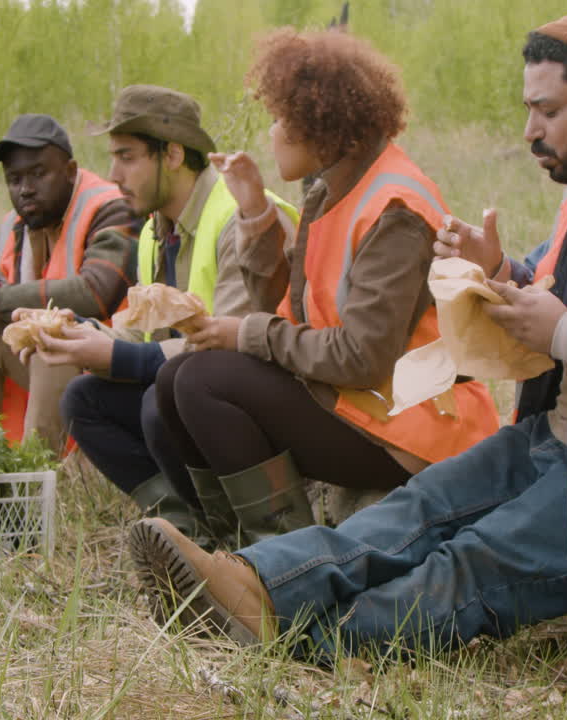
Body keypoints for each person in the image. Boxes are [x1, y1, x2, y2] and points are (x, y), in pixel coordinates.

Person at [128, 0, 567, 662]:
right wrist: (502, 274)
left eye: (548, 110)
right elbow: (559, 301)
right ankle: (252, 582)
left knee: (474, 560)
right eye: (528, 110)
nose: (530, 130)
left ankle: (297, 637)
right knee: (424, 508)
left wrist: (562, 332)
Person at [136, 28, 500, 552]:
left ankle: (289, 567)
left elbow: (361, 359)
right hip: (363, 402)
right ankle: (232, 549)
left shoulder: (394, 208)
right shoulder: (335, 188)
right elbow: (296, 314)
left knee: (200, 381)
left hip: (414, 427)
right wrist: (257, 217)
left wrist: (248, 334)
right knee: (172, 381)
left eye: (282, 119)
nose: (272, 133)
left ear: (321, 123)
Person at [29, 85, 297, 542]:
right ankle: (187, 531)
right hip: (198, 388)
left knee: (161, 403)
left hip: (267, 397)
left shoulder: (234, 217)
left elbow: (228, 353)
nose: (113, 174)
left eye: (127, 156)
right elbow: (146, 336)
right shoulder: (156, 229)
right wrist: (83, 335)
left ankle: (249, 537)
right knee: (83, 400)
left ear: (172, 155)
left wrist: (115, 358)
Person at [0, 114, 137, 456]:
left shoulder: (111, 207)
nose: (25, 188)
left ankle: (34, 481)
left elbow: (96, 292)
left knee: (52, 339)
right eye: (14, 179)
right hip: (66, 367)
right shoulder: (23, 221)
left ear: (70, 170)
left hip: (120, 365)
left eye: (39, 174)